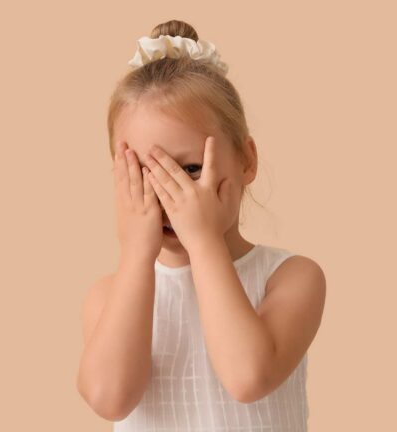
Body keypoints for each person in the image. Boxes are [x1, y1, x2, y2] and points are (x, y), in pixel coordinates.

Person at [76, 19, 326, 432]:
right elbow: (109, 397)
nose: (168, 196)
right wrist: (137, 254)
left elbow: (248, 377)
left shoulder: (292, 278)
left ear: (246, 160)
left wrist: (204, 241)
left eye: (190, 170)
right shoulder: (108, 295)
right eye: (144, 174)